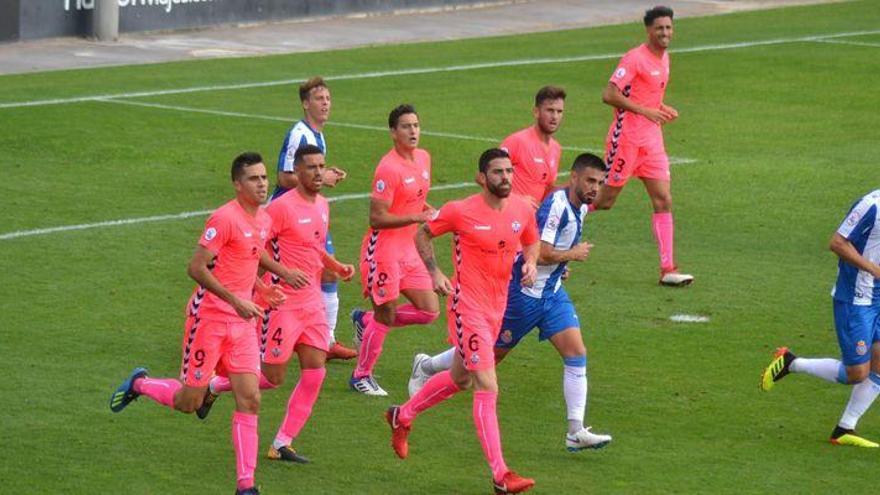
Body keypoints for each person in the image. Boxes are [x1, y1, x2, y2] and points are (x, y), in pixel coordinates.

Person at [109, 152, 295, 495]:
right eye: (254, 179)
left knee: (250, 397)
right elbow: (196, 268)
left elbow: (248, 258)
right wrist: (235, 299)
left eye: (264, 177)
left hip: (241, 324)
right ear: (237, 184)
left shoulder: (263, 220)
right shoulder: (223, 218)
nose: (262, 183)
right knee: (188, 402)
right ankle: (140, 384)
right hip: (208, 320)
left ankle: (246, 486)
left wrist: (262, 289)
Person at [408, 153, 613, 451]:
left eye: (600, 183)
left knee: (576, 352)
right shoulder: (556, 207)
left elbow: (535, 249)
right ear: (575, 178)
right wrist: (569, 256)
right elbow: (539, 250)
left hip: (551, 294)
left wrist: (558, 266)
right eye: (591, 181)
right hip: (523, 297)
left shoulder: (580, 207)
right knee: (484, 358)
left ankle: (575, 430)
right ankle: (427, 366)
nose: (596, 188)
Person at [385, 148, 539, 494]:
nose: (505, 178)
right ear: (481, 178)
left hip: (496, 308)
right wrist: (435, 272)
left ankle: (403, 415)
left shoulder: (521, 209)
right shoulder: (461, 211)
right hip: (466, 306)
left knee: (461, 379)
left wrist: (530, 262)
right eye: (498, 172)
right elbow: (422, 233)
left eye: (509, 171)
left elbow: (532, 242)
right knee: (488, 385)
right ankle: (500, 475)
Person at [198, 145, 356, 463]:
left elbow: (312, 246)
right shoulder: (280, 208)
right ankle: (215, 384)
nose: (316, 172)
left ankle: (281, 443)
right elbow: (256, 247)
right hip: (281, 304)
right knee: (272, 377)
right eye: (310, 167)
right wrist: (278, 276)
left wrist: (335, 265)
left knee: (316, 371)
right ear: (296, 172)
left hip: (311, 303)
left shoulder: (324, 205)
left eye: (320, 166)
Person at [762, 190, 880, 448]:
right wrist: (873, 269)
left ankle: (845, 428)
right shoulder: (871, 206)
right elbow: (837, 243)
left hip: (878, 296)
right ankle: (791, 363)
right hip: (856, 298)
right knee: (857, 373)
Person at [592, 6, 693, 287]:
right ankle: (550, 211)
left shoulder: (665, 59)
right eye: (659, 28)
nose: (665, 33)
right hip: (626, 139)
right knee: (603, 201)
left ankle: (667, 269)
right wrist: (645, 111)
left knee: (663, 199)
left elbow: (647, 96)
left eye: (668, 28)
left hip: (652, 140)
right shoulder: (635, 58)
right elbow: (609, 94)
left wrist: (660, 108)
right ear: (648, 30)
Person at [348, 104, 440, 396]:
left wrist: (425, 209)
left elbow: (414, 198)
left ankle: (366, 321)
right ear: (393, 132)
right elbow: (376, 218)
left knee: (429, 311)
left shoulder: (424, 158)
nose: (413, 131)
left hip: (408, 249)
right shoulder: (388, 169)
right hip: (383, 250)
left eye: (416, 125)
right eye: (405, 126)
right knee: (386, 313)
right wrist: (415, 217)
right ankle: (361, 375)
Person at [274, 76, 356, 360]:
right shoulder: (299, 133)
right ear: (305, 103)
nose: (325, 104)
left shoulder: (318, 135)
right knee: (272, 278)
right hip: (288, 217)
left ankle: (326, 340)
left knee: (327, 272)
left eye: (328, 99)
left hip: (309, 214)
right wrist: (324, 177)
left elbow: (308, 174)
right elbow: (284, 177)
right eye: (319, 99)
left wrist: (324, 174)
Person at [501, 86, 565, 209]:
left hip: (533, 222)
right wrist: (516, 199)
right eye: (550, 110)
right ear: (536, 112)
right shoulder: (517, 142)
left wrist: (573, 189)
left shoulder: (556, 149)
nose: (555, 117)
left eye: (559, 111)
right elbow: (485, 178)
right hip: (510, 218)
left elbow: (547, 190)